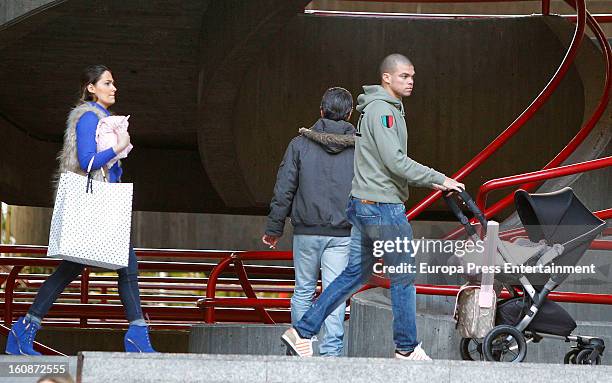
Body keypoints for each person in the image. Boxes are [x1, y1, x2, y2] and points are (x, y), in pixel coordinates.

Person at [281, 54, 464, 359]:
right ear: (387, 78)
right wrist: (439, 178)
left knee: (354, 275)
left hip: (365, 205)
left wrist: (431, 181)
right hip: (383, 207)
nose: (410, 81)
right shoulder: (383, 112)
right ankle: (406, 348)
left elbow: (385, 161)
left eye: (412, 76)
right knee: (403, 276)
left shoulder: (381, 109)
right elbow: (395, 161)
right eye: (404, 76)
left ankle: (301, 331)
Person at [5, 65, 156, 355]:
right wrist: (118, 147)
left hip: (103, 206)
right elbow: (87, 161)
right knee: (126, 267)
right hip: (96, 207)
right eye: (107, 83)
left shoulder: (104, 119)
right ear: (91, 87)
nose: (114, 88)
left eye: (114, 83)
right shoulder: (89, 118)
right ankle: (137, 335)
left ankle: (23, 330)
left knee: (73, 269)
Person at [263, 87, 356, 356]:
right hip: (343, 233)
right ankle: (331, 353)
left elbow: (284, 189)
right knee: (335, 293)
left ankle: (301, 345)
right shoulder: (361, 149)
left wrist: (274, 228)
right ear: (350, 113)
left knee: (303, 289)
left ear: (321, 111)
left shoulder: (299, 145)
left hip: (306, 232)